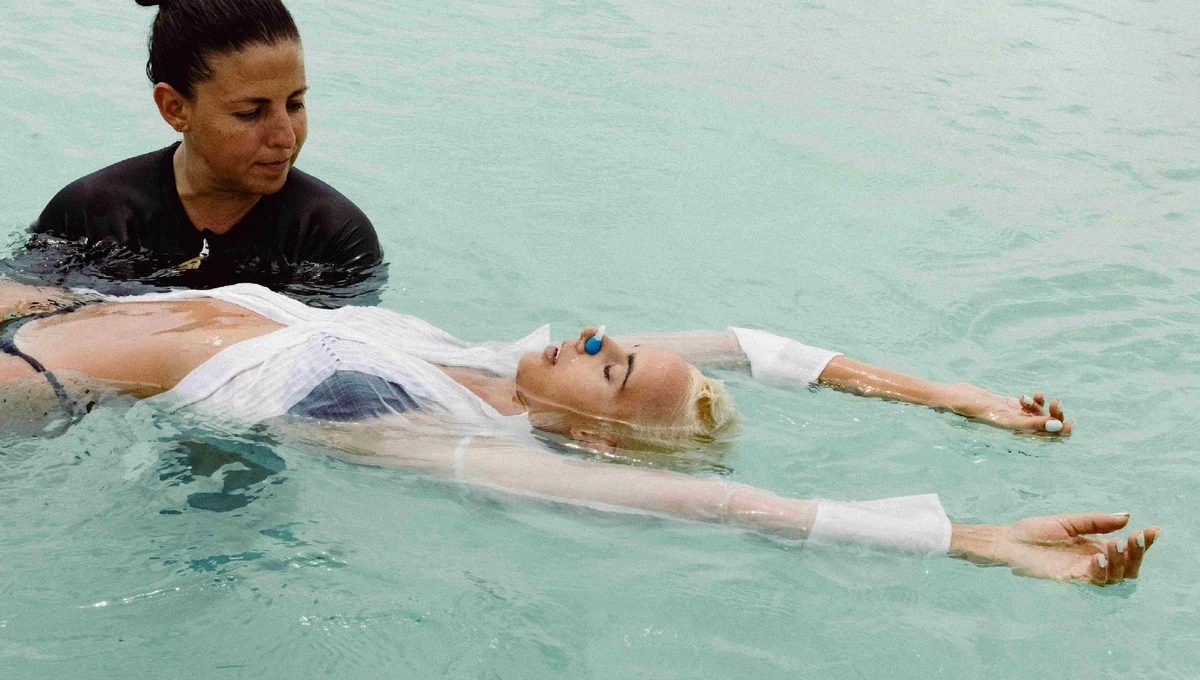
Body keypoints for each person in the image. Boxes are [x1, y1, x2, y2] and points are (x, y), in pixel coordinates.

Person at [0, 280, 1154, 586]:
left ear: (594, 440)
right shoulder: (511, 368)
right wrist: (957, 397)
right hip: (77, 309)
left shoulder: (458, 439)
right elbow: (753, 344)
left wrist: (972, 536)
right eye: (617, 342)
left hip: (49, 377)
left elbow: (719, 500)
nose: (599, 337)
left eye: (611, 369)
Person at [9, 0, 384, 305]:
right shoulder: (89, 216)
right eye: (250, 112)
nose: (286, 137)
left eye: (295, 103)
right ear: (175, 108)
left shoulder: (332, 239)